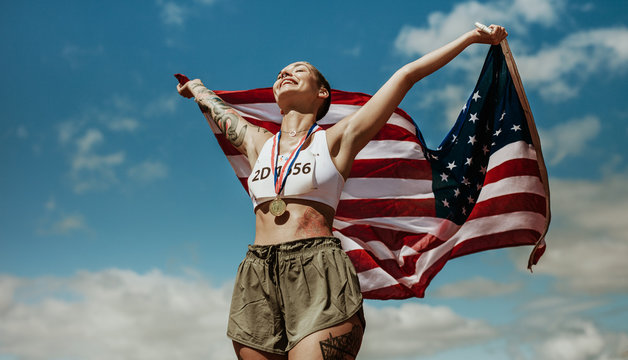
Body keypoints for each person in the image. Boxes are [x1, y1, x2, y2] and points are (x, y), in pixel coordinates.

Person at [177, 24, 507, 360]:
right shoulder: (258, 142)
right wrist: (197, 88)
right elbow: (220, 112)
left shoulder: (337, 138)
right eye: (281, 72)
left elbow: (406, 76)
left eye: (298, 70)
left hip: (317, 268)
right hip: (257, 273)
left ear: (322, 94)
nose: (285, 73)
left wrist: (470, 39)